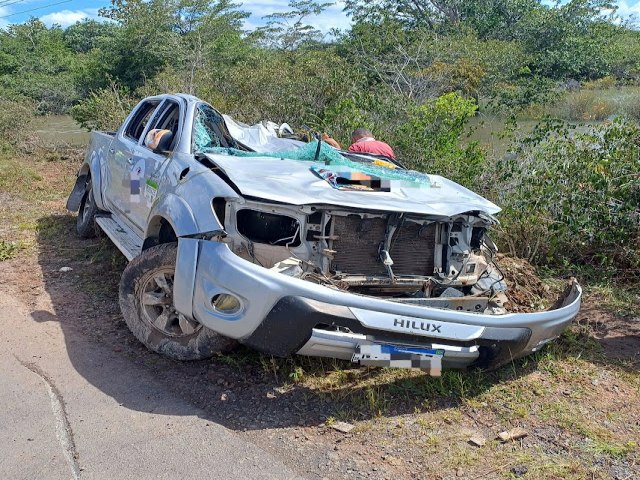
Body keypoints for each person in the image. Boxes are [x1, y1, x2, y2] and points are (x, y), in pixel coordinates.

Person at [322, 128, 396, 159]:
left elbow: (346, 163)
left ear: (354, 139)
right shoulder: (387, 146)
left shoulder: (356, 147)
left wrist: (335, 146)